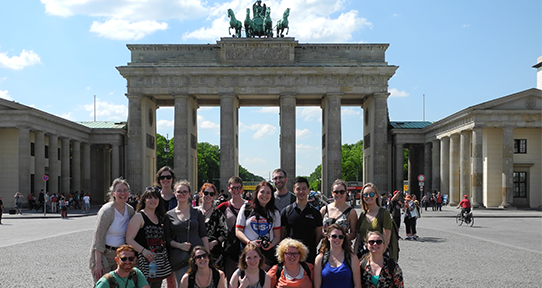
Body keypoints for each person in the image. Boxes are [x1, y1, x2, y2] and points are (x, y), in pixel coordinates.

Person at [89, 178, 136, 283]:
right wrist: (98, 263)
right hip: (104, 255)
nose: (122, 193)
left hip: (121, 256)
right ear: (113, 193)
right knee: (103, 284)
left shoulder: (130, 210)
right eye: (119, 190)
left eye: (125, 190)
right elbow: (98, 238)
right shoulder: (106, 211)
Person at [164, 180, 209, 287]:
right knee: (183, 285)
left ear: (189, 194)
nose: (182, 194)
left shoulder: (197, 213)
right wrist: (180, 245)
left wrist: (207, 255)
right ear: (175, 194)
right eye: (179, 192)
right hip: (181, 258)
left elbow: (203, 235)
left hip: (199, 257)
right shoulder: (168, 215)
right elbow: (167, 239)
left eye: (185, 192)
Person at [126, 187, 171, 288]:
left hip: (156, 262)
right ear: (144, 200)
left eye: (156, 198)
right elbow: (129, 239)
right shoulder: (139, 216)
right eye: (149, 198)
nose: (153, 200)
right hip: (142, 262)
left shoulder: (159, 217)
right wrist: (143, 251)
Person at [236, 180, 281, 270]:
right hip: (249, 250)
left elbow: (277, 235)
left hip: (267, 253)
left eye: (268, 193)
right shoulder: (246, 208)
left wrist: (271, 244)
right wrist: (249, 242)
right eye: (262, 192)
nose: (265, 195)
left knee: (265, 279)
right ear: (256, 193)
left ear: (272, 195)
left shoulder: (275, 212)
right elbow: (238, 231)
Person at [281, 177, 323, 264]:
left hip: (309, 256)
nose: (301, 192)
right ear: (294, 190)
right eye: (298, 189)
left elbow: (319, 234)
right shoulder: (286, 211)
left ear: (308, 190)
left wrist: (311, 246)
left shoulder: (315, 213)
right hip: (291, 256)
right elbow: (282, 234)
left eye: (304, 189)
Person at [354, 183, 398, 262]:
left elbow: (386, 239)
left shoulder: (384, 213)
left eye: (371, 194)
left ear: (376, 195)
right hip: (362, 255)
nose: (368, 197)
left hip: (378, 254)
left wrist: (377, 257)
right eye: (365, 195)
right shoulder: (363, 215)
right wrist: (354, 256)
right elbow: (358, 238)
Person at [217, 176, 248, 281]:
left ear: (242, 189)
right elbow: (213, 222)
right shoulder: (223, 206)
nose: (236, 190)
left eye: (238, 188)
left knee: (247, 280)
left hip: (247, 246)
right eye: (233, 188)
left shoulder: (250, 206)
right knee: (231, 280)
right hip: (230, 247)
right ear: (229, 189)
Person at [314, 224, 361, 288]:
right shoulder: (320, 258)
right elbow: (317, 286)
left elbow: (357, 285)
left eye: (341, 237)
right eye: (334, 236)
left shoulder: (352, 257)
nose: (337, 239)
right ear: (328, 237)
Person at [197, 183, 228, 268]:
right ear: (201, 193)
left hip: (213, 252)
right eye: (206, 193)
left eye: (211, 194)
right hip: (195, 251)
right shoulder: (193, 212)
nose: (208, 196)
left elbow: (225, 233)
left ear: (214, 196)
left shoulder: (218, 214)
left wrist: (214, 243)